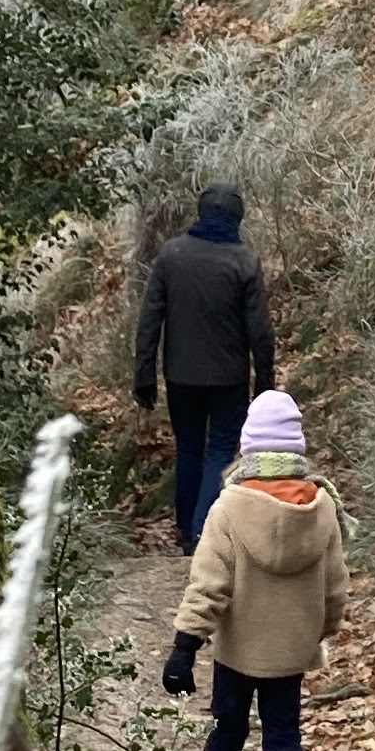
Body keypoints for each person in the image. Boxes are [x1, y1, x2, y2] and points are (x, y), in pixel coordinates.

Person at [160, 389, 349, 751]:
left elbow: (208, 585)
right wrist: (321, 631)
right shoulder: (322, 508)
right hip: (289, 652)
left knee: (226, 729)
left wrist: (185, 646)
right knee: (283, 737)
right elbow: (335, 586)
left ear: (248, 449)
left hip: (238, 651)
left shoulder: (228, 508)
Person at [133, 181, 275, 549]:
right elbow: (259, 330)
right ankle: (202, 532)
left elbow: (150, 319)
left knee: (189, 450)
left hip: (180, 375)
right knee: (220, 453)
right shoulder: (245, 263)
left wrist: (144, 372)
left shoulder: (172, 255)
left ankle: (186, 530)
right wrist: (265, 380)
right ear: (237, 217)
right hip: (229, 379)